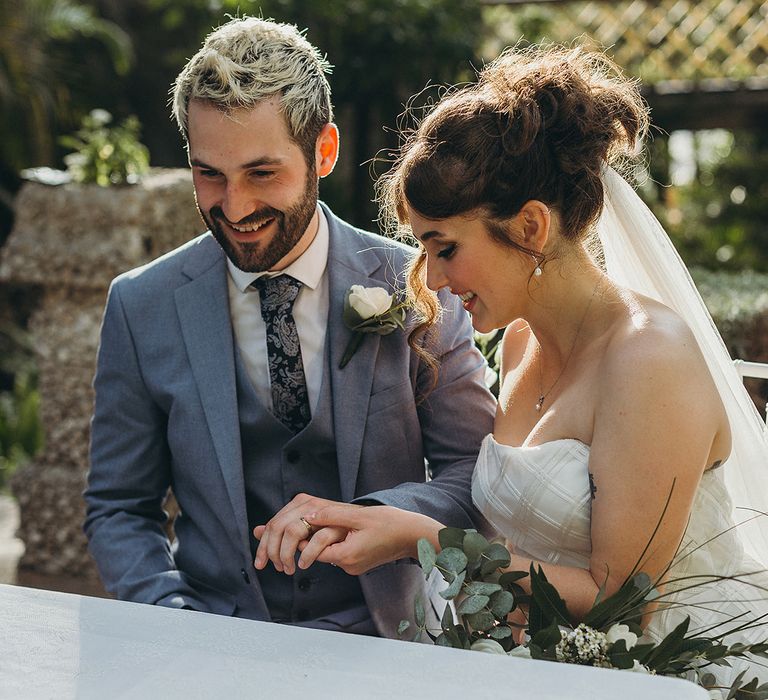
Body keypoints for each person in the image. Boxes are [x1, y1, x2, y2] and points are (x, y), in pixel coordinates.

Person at [272, 46, 768, 689]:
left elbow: (619, 599)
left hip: (667, 674)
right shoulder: (518, 344)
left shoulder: (650, 360)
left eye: (446, 248)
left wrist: (419, 539)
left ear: (531, 226)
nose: (434, 280)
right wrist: (376, 518)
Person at [83, 16, 495, 638]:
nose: (236, 206)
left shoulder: (418, 284)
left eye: (262, 173)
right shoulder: (142, 306)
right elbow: (119, 508)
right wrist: (171, 619)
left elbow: (474, 472)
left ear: (323, 151)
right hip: (212, 641)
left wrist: (381, 519)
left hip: (390, 641)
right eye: (209, 174)